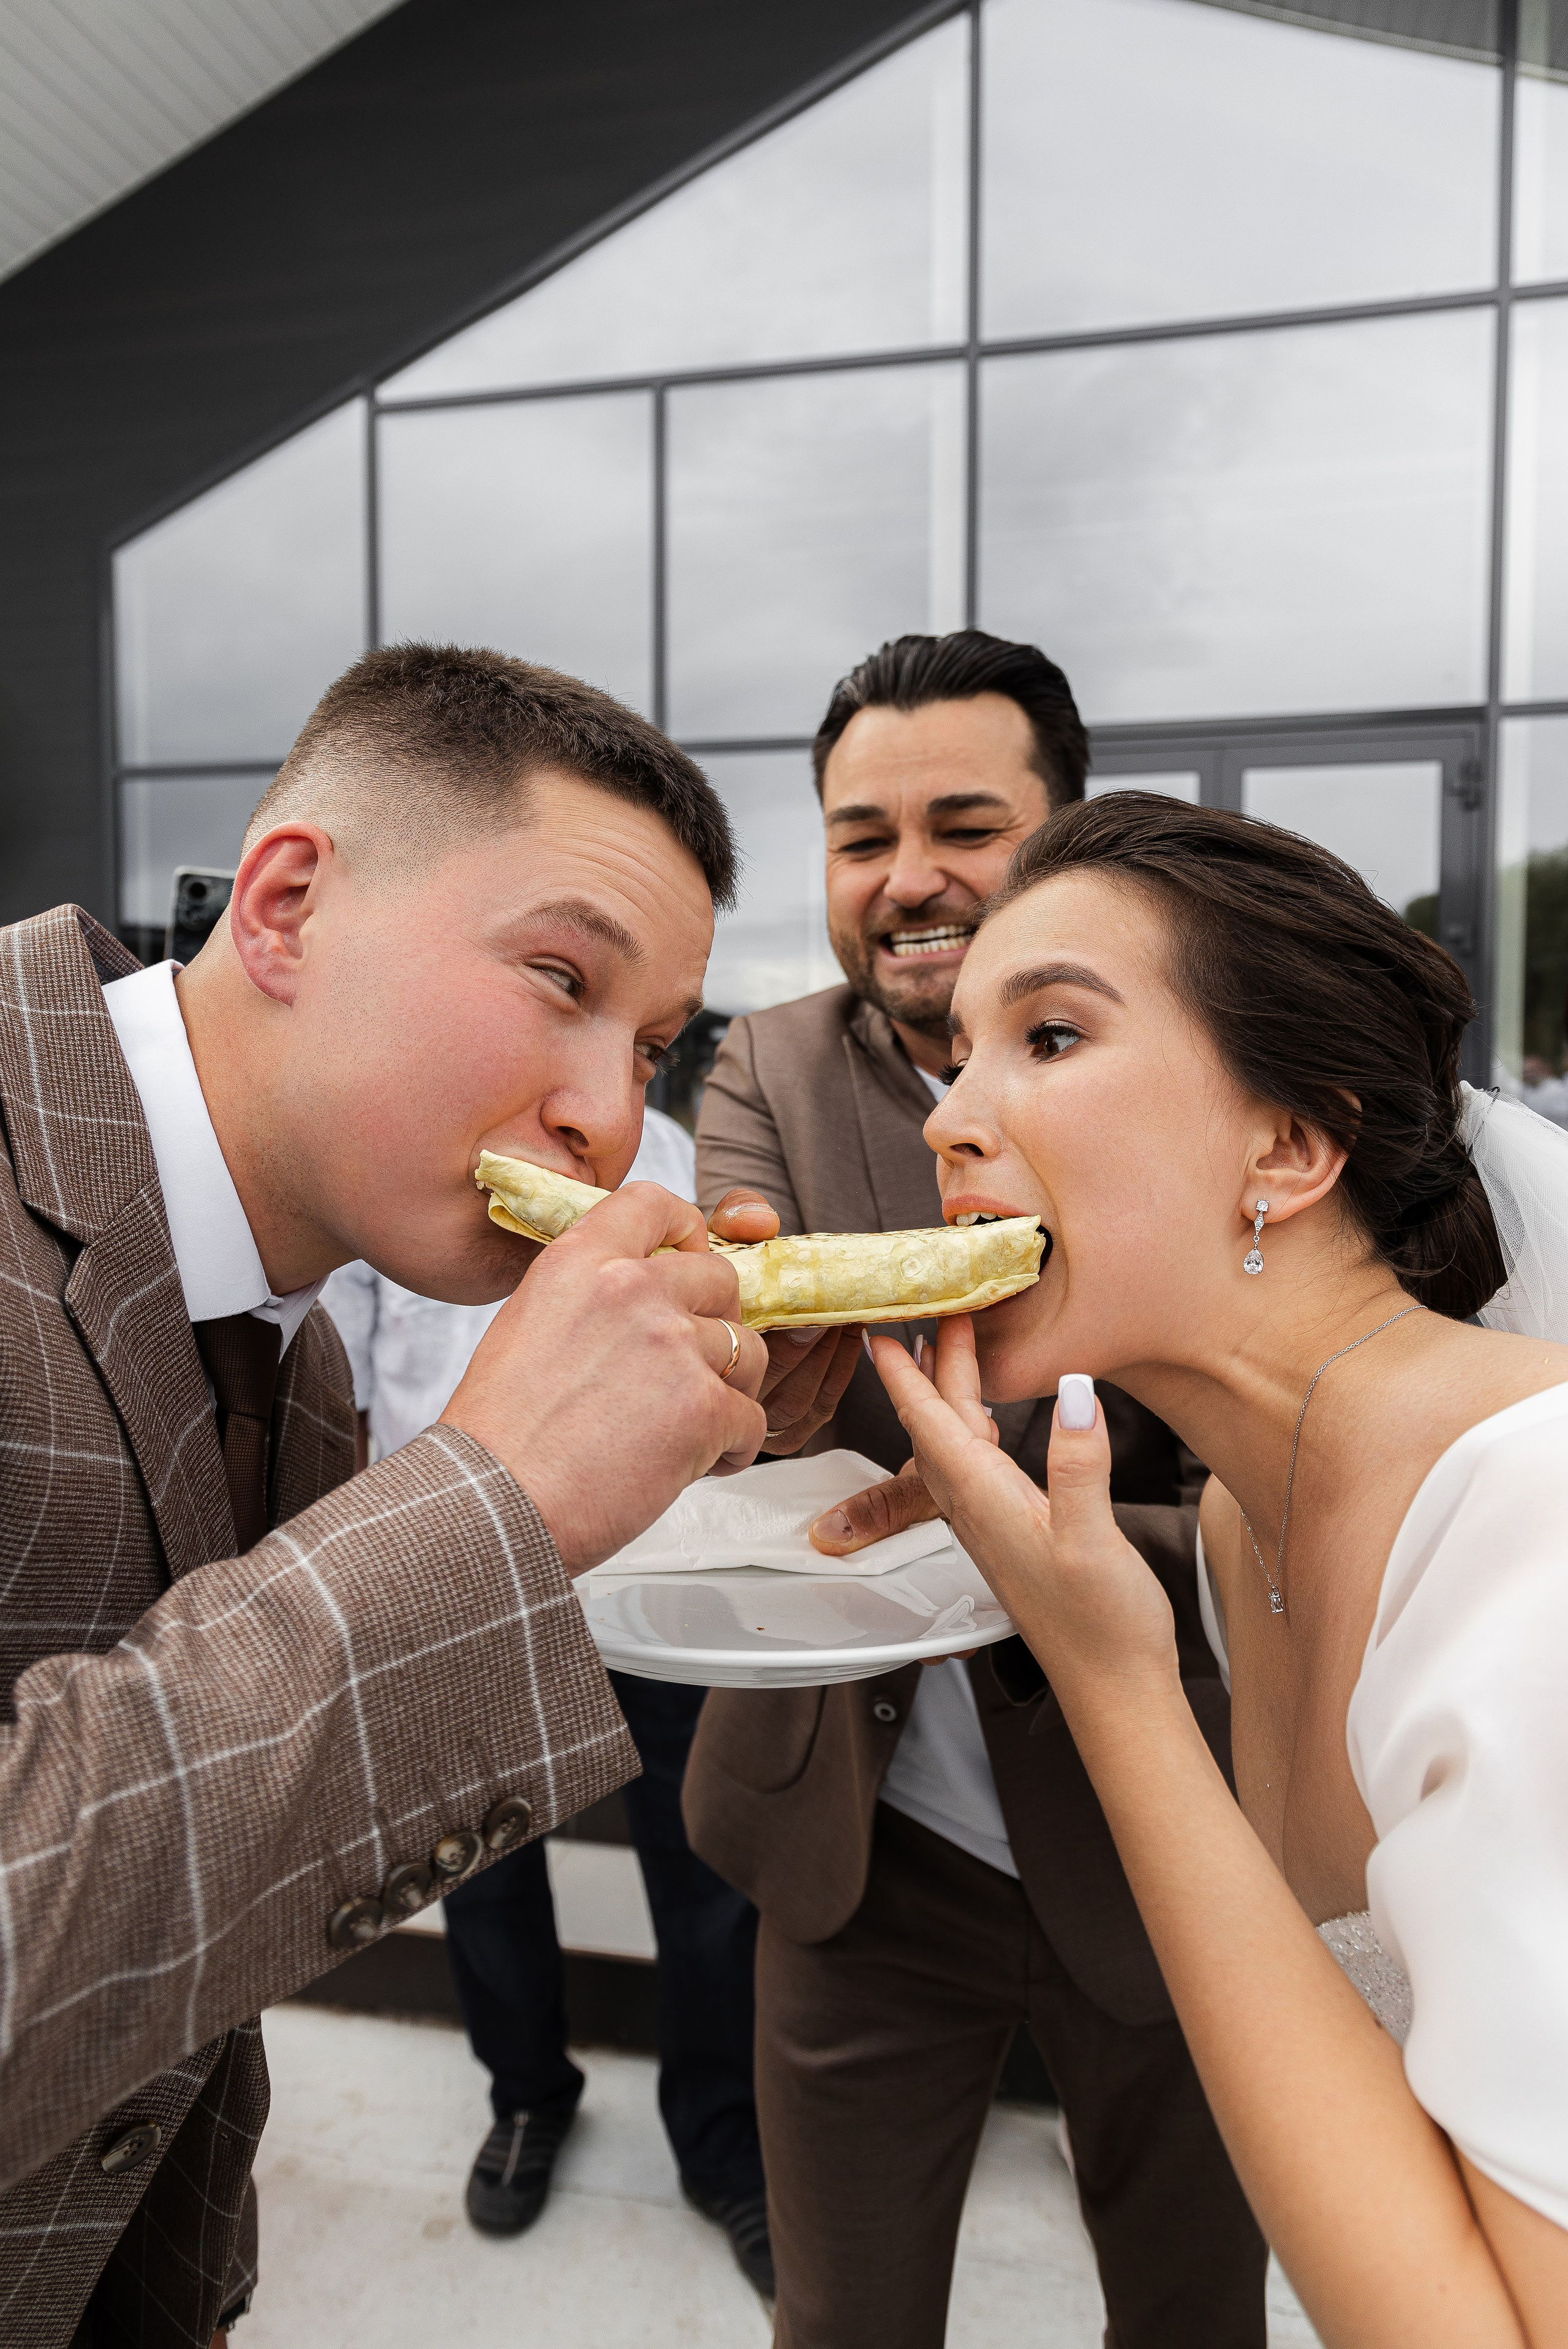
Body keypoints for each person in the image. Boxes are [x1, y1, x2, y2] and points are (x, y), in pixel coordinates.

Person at [0, 644, 777, 2348]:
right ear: (282, 910)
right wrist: (484, 1509)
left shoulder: (320, 1365)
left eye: (652, 1043)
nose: (608, 1115)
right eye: (560, 977)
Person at [868, 790, 1568, 2345]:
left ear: (1288, 1145)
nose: (945, 1119)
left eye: (1047, 1037)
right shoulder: (1248, 1523)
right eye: (961, 1049)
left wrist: (1108, 1678)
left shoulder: (1537, 1529)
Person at [683, 632, 1267, 2348]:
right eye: (862, 836)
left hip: (1171, 1832)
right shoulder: (767, 1070)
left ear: (1071, 831)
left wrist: (1036, 1536)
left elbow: (1295, 1462)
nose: (909, 878)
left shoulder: (1203, 1066)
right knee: (842, 2320)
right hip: (859, 1842)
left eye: (964, 822)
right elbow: (744, 1381)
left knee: (1191, 2314)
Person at [322, 1109, 772, 2294]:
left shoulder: (673, 1160)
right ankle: (525, 2096)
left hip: (652, 1570)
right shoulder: (417, 1165)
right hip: (460, 1568)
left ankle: (723, 2139)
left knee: (704, 1862)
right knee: (479, 1867)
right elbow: (352, 1379)